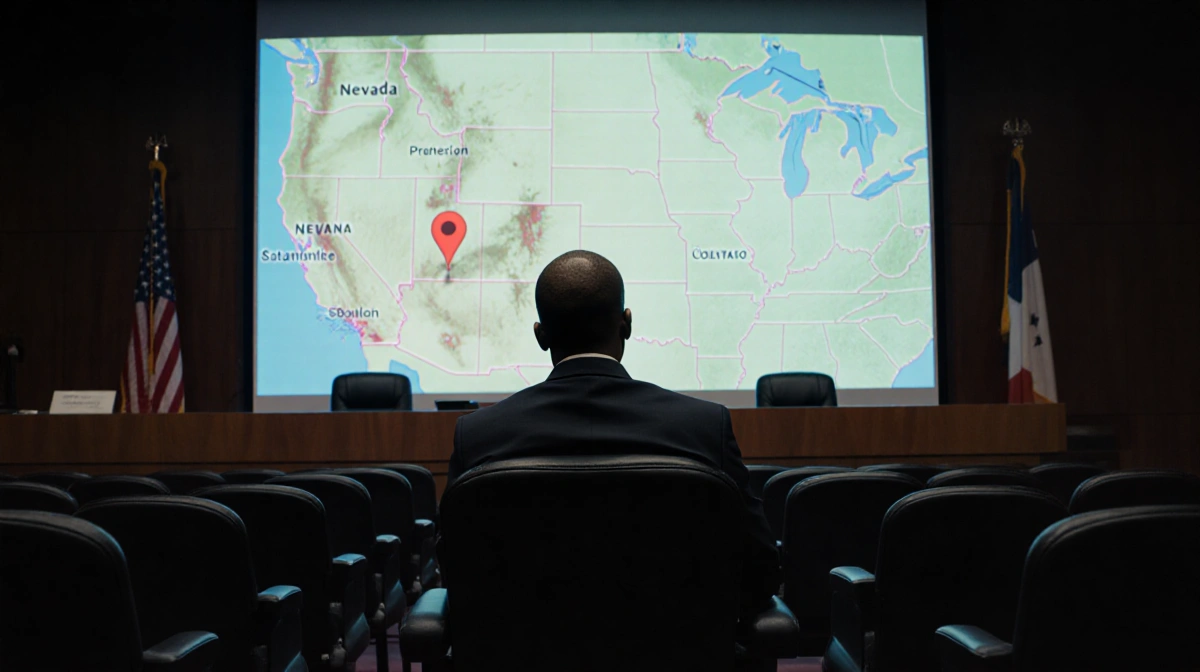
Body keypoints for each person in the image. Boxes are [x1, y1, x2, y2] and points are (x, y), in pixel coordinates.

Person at [447, 249, 780, 603]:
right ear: (627, 324)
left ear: (541, 335)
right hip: (677, 654)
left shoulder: (478, 435)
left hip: (520, 655)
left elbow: (457, 571)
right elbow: (760, 569)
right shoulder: (704, 426)